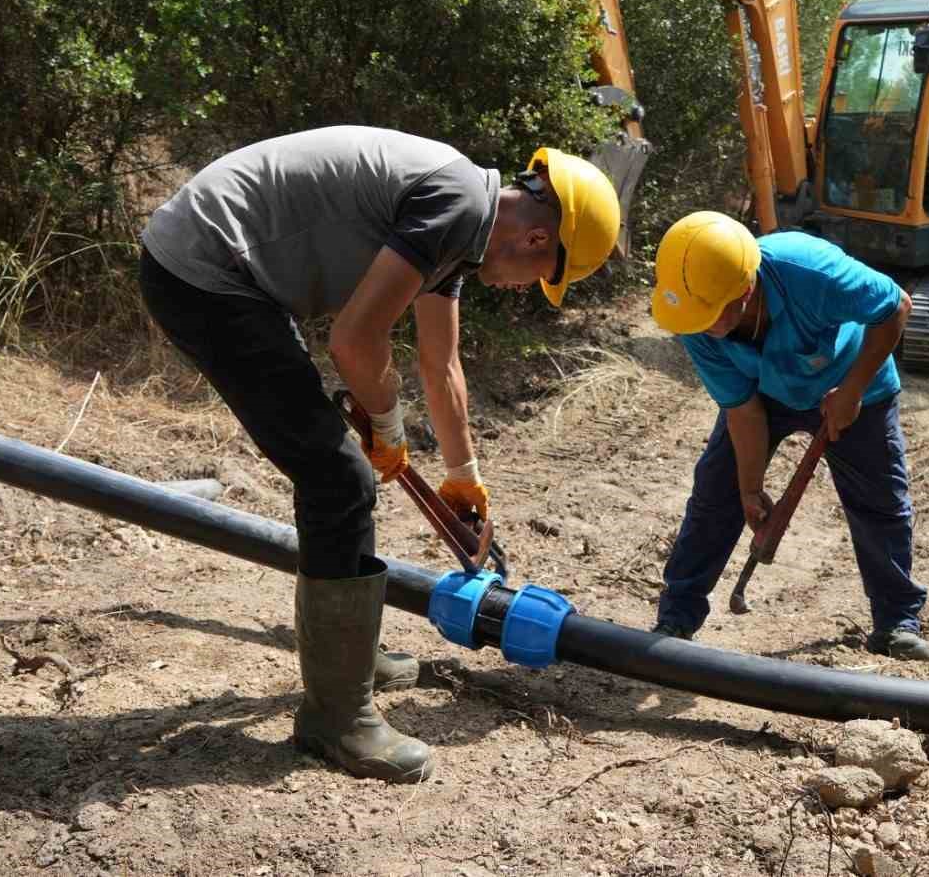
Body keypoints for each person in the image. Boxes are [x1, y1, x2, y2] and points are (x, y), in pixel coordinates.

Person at [137, 126, 620, 782]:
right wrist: (385, 427)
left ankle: (350, 661)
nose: (524, 289)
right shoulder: (454, 207)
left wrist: (463, 479)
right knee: (339, 479)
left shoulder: (463, 223)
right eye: (544, 276)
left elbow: (440, 363)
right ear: (540, 240)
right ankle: (337, 718)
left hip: (235, 273)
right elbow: (353, 340)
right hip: (203, 271)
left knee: (343, 474)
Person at [647, 211, 929, 662]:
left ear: (745, 291)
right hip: (765, 389)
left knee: (879, 502)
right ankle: (677, 618)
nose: (701, 326)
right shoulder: (692, 315)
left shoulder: (810, 271)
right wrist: (749, 489)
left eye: (711, 314)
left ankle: (897, 622)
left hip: (855, 381)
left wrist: (853, 390)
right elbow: (742, 410)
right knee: (714, 496)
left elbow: (896, 306)